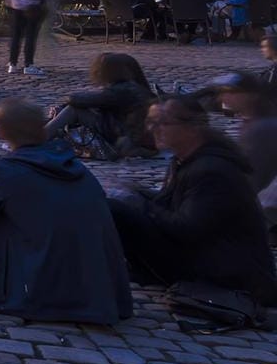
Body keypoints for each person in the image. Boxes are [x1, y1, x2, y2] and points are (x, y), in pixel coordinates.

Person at [0, 100, 133, 324]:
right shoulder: (79, 170)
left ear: (1, 131)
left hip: (34, 288)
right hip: (94, 291)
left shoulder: (4, 170)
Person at [106, 97, 277, 304]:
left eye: (163, 123)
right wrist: (139, 193)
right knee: (120, 202)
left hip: (224, 270)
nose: (153, 129)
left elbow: (187, 228)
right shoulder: (185, 159)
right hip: (206, 254)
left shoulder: (210, 171)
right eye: (151, 122)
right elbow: (170, 204)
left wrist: (142, 206)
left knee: (116, 210)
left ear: (193, 128)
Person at [45, 52, 151, 155]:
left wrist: (67, 101)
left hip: (121, 133)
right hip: (125, 131)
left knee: (73, 110)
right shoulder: (135, 87)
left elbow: (77, 100)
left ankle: (41, 138)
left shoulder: (122, 90)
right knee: (68, 111)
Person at [210, 72, 277, 228]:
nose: (223, 98)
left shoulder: (262, 128)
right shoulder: (253, 122)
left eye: (231, 92)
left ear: (251, 96)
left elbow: (255, 178)